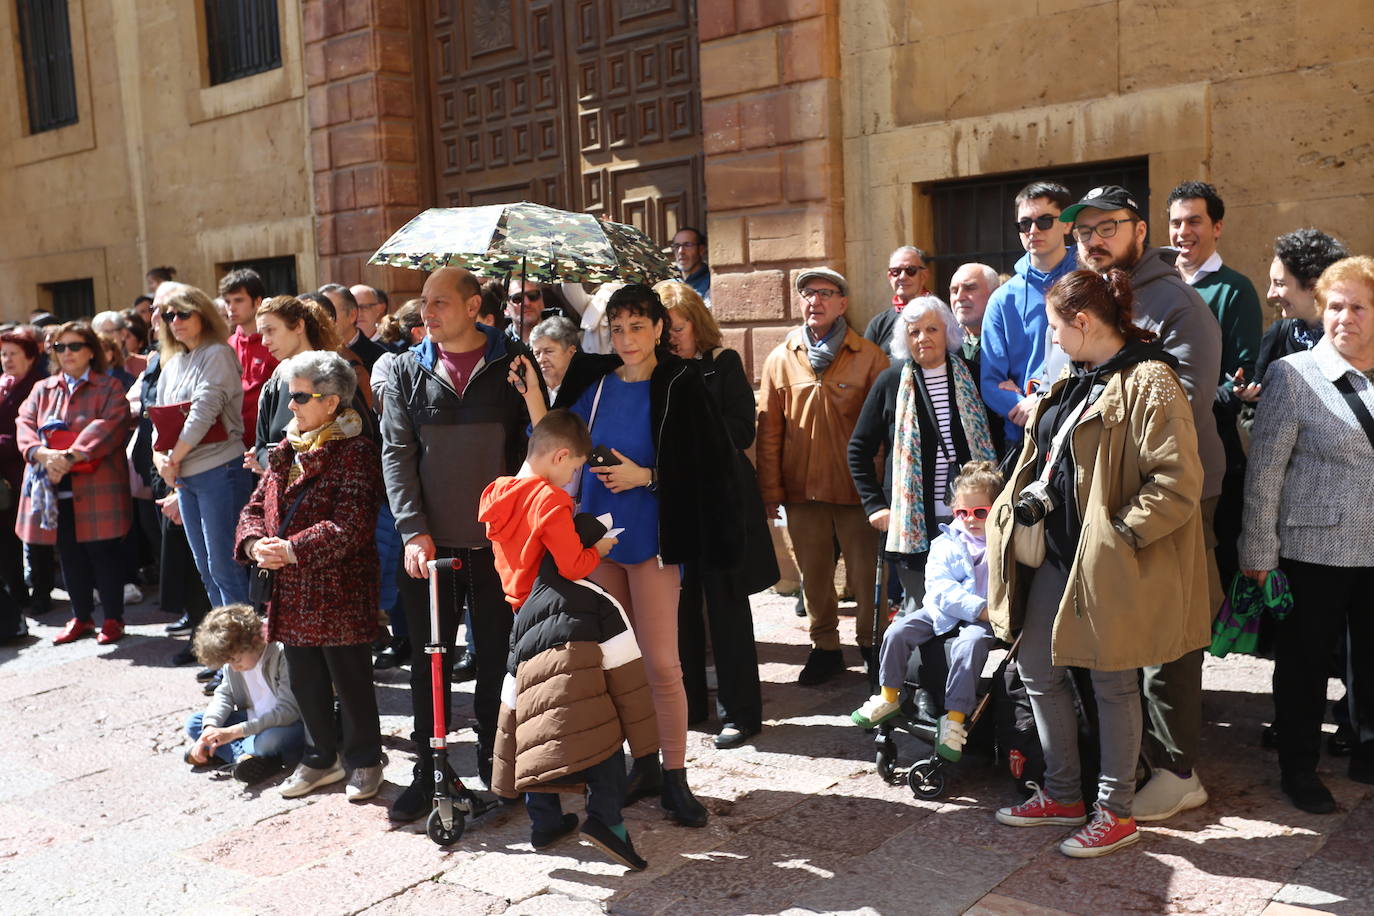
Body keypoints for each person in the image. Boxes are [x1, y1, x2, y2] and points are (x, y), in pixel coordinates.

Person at [988, 269, 1210, 858]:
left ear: (1083, 323)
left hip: (1106, 562)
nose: (1053, 339)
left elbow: (1178, 483)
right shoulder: (1075, 377)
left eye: (1058, 327)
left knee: (1113, 683)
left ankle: (1115, 811)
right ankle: (1063, 793)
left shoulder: (1151, 380)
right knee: (1037, 667)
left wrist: (1118, 537)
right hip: (1058, 558)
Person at [513, 283, 742, 828]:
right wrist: (531, 394)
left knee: (662, 663)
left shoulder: (682, 382)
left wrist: (649, 476)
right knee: (616, 662)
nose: (627, 338)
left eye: (638, 326)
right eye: (617, 329)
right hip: (596, 541)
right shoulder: (592, 382)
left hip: (655, 537)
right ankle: (637, 765)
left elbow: (712, 463)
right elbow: (556, 443)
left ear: (660, 329)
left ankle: (675, 777)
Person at [1061, 184, 1224, 823]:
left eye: (1107, 226)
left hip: (1171, 493)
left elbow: (1185, 402)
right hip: (1101, 494)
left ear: (1138, 229)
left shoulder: (1176, 304)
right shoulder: (1090, 301)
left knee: (1169, 634)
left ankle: (1179, 771)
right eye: (1084, 231)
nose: (1093, 239)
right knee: (1127, 627)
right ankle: (1140, 755)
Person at [380, 266, 532, 822]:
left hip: (497, 548)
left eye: (440, 301)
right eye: (424, 302)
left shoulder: (514, 362)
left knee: (496, 660)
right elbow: (396, 453)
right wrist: (412, 530)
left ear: (474, 307)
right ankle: (430, 771)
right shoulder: (403, 370)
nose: (428, 311)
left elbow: (532, 448)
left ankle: (497, 769)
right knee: (428, 663)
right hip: (431, 548)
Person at [481, 410, 656, 869]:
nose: (575, 475)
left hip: (521, 619)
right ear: (560, 456)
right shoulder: (550, 500)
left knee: (537, 722)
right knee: (595, 717)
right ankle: (605, 818)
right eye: (575, 466)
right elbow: (573, 566)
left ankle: (545, 822)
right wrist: (597, 548)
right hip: (560, 618)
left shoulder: (499, 494)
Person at [1240, 256, 1374, 814]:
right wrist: (1258, 553)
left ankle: (1367, 749)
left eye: (1358, 306)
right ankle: (1299, 768)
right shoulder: (1294, 375)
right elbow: (1264, 472)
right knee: (1303, 666)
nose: (1345, 317)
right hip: (1311, 550)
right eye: (1335, 306)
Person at [235, 350, 386, 801]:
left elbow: (352, 525)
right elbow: (255, 507)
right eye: (290, 394)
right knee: (305, 679)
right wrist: (253, 542)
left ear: (333, 402)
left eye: (301, 396)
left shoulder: (357, 451)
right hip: (292, 589)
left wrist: (291, 549)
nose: (291, 405)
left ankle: (364, 760)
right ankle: (321, 758)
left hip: (339, 588)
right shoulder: (288, 446)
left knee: (351, 679)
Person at [658, 280, 777, 748]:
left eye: (678, 329)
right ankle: (689, 704)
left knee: (727, 612)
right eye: (664, 330)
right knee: (680, 609)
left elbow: (741, 431)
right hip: (678, 507)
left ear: (697, 325)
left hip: (723, 506)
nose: (671, 337)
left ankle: (740, 714)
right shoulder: (656, 373)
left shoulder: (722, 364)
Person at [757, 267, 888, 685]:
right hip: (802, 491)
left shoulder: (869, 356)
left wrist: (881, 492)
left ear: (842, 304)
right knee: (813, 577)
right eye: (808, 293)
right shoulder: (781, 358)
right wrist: (771, 489)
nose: (815, 301)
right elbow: (769, 431)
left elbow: (885, 433)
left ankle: (871, 646)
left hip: (858, 491)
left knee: (866, 575)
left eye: (825, 293)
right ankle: (825, 647)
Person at [848, 295, 998, 620]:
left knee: (973, 603)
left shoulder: (974, 376)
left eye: (931, 329)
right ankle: (924, 672)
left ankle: (961, 667)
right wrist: (875, 506)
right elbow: (858, 448)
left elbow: (998, 442)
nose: (923, 338)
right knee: (922, 610)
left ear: (948, 332)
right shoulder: (890, 381)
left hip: (973, 519)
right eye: (914, 332)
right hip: (914, 522)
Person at [851, 461, 1002, 763]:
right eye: (962, 513)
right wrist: (979, 608)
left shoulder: (1002, 544)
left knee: (968, 646)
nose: (970, 520)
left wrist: (988, 612)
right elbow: (940, 589)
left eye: (980, 513)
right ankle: (889, 695)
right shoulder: (946, 542)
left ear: (996, 509)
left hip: (985, 619)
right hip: (948, 609)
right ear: (953, 511)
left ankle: (955, 717)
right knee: (896, 630)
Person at [17, 322, 133, 645]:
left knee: (104, 553)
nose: (67, 353)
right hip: (55, 490)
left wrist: (68, 458)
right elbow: (25, 422)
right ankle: (81, 617)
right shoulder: (43, 388)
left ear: (91, 350)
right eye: (59, 347)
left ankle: (113, 618)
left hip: (97, 487)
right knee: (69, 555)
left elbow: (109, 425)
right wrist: (42, 455)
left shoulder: (108, 386)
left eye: (75, 346)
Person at [153, 286, 254, 608]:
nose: (176, 321)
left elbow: (204, 412)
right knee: (207, 570)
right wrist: (162, 463)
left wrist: (172, 461)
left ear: (203, 315)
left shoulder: (218, 353)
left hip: (219, 470)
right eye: (169, 315)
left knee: (226, 567)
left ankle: (246, 651)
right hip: (184, 476)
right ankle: (227, 650)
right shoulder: (171, 364)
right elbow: (158, 423)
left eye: (184, 313)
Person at [980, 181, 1078, 446]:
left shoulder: (1089, 282)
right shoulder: (1002, 299)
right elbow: (991, 381)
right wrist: (1025, 406)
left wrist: (1043, 401)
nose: (1033, 230)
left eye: (1044, 221)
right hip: (1025, 437)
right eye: (1025, 224)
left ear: (1067, 225)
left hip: (1081, 429)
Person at [184, 603, 305, 784]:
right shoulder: (235, 655)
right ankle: (247, 758)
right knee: (195, 723)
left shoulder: (282, 652)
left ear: (255, 641)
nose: (234, 667)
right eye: (228, 662)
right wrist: (210, 729)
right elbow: (224, 694)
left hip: (288, 724)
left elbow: (288, 712)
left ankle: (234, 754)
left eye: (236, 660)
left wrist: (233, 732)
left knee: (267, 741)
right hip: (251, 721)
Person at [1238, 228, 1351, 400]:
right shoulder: (1279, 335)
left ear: (1314, 288)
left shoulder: (1356, 338)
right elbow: (1258, 405)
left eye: (1280, 284)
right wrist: (1250, 396)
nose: (1270, 295)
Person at [0, 329, 45, 639]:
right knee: (6, 540)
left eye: (13, 354)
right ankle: (16, 592)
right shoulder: (3, 385)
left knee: (32, 536)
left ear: (30, 357)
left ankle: (39, 593)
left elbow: (30, 432)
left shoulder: (35, 387)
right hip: (4, 477)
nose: (7, 360)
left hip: (25, 472)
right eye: (3, 354)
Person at [220, 269, 278, 449]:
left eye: (238, 300)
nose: (231, 307)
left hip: (270, 445)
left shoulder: (276, 343)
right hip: (234, 448)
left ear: (257, 301)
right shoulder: (226, 346)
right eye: (228, 301)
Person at [864, 246, 930, 358]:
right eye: (896, 272)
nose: (903, 277)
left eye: (911, 270)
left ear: (924, 275)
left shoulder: (941, 316)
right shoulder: (878, 324)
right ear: (890, 277)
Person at [320, 283, 386, 374]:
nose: (323, 319)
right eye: (320, 313)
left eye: (330, 313)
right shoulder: (313, 352)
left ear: (352, 315)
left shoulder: (380, 358)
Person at [948, 263, 999, 378]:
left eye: (970, 288)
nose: (959, 297)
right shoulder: (943, 341)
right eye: (954, 291)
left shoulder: (1012, 338)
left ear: (995, 293)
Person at [529, 316, 579, 402]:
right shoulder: (529, 390)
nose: (541, 359)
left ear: (571, 352)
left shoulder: (586, 389)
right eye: (537, 354)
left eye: (548, 351)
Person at [671, 227, 710, 303]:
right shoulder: (671, 285)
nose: (681, 251)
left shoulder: (711, 282)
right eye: (677, 246)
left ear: (702, 249)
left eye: (687, 245)